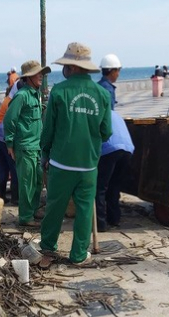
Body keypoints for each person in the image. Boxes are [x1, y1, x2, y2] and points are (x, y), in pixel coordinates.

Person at [40, 42, 113, 266]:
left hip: (61, 163)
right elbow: (107, 131)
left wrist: (45, 152)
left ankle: (48, 248)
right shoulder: (101, 93)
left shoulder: (60, 91)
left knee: (55, 207)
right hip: (88, 165)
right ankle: (79, 254)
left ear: (70, 67)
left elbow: (48, 129)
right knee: (84, 210)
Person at [3, 60, 51, 227]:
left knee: (37, 181)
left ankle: (35, 209)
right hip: (25, 147)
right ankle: (25, 217)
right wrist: (9, 144)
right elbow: (10, 119)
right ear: (29, 77)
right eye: (38, 74)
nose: (41, 76)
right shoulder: (22, 96)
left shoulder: (35, 95)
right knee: (27, 183)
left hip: (36, 146)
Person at [96, 110, 134, 232]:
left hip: (109, 149)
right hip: (128, 149)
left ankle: (100, 223)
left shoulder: (96, 113)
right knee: (115, 185)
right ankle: (114, 219)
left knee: (100, 187)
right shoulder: (115, 114)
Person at [0, 79, 25, 205]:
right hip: (6, 139)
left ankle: (1, 195)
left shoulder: (9, 99)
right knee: (14, 168)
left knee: (3, 167)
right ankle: (15, 198)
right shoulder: (15, 102)